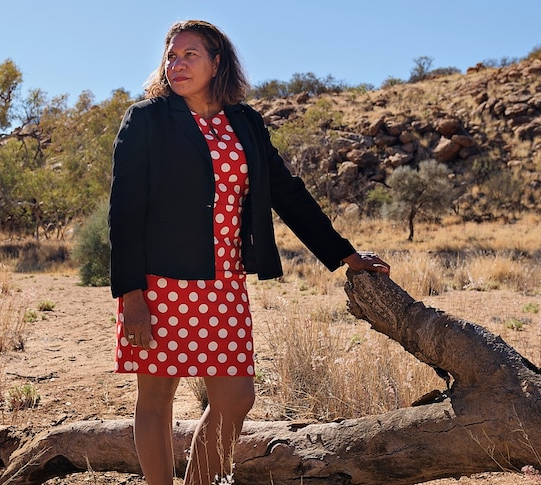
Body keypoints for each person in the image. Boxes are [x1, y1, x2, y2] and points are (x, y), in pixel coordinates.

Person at [108, 19, 390, 485]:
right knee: (156, 398)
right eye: (171, 56)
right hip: (159, 283)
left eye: (190, 55)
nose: (176, 64)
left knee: (236, 398)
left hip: (224, 282)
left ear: (217, 62)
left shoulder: (246, 123)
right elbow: (124, 212)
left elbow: (288, 193)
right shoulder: (147, 120)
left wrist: (344, 254)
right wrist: (131, 296)